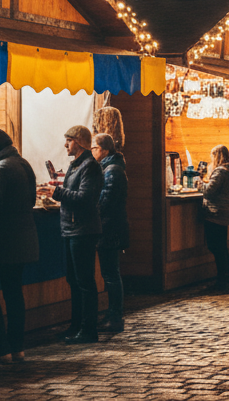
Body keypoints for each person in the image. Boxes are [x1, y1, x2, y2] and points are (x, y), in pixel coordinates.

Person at [37, 125, 104, 343]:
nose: (65, 144)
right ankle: (76, 326)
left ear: (80, 142)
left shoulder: (89, 167)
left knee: (84, 281)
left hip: (83, 230)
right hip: (71, 228)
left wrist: (56, 192)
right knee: (74, 280)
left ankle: (88, 329)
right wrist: (56, 191)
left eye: (68, 140)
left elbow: (84, 197)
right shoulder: (76, 166)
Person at [0, 128, 39, 363]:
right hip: (23, 240)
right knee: (14, 294)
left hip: (1, 243)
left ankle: (0, 347)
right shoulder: (22, 163)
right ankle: (17, 347)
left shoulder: (0, 168)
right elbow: (32, 200)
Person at [94, 132, 128, 332]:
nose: (92, 151)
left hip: (110, 228)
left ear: (104, 149)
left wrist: (91, 209)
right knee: (111, 273)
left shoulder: (112, 170)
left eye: (94, 148)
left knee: (111, 274)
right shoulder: (110, 168)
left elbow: (105, 200)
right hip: (111, 227)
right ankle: (114, 314)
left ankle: (115, 316)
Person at [201, 144, 229, 292]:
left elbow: (209, 192)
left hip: (214, 212)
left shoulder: (219, 171)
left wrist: (200, 184)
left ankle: (222, 282)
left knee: (216, 247)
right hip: (225, 212)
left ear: (216, 156)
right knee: (222, 248)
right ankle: (224, 280)